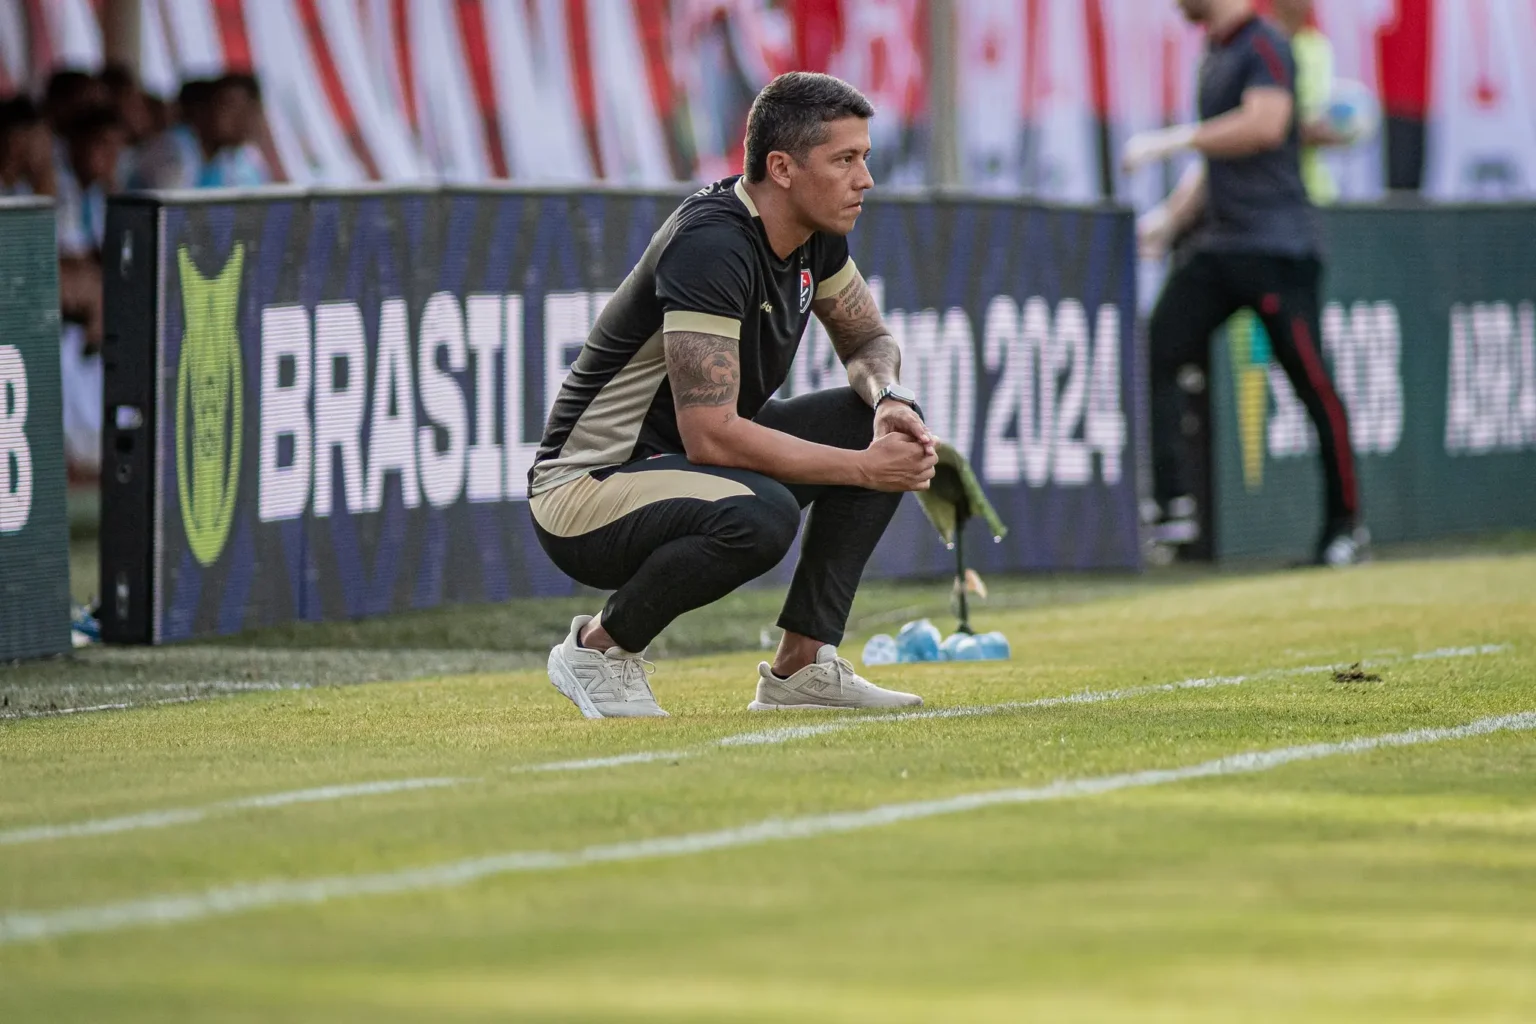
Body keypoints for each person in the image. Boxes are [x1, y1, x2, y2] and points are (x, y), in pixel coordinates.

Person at [530, 71, 937, 719]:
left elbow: (867, 341)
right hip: (586, 488)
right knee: (762, 514)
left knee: (881, 424)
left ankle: (801, 669)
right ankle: (598, 649)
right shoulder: (713, 245)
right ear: (781, 167)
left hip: (687, 467)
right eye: (845, 160)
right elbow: (712, 434)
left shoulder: (816, 230)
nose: (866, 179)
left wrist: (891, 399)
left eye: (865, 157)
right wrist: (866, 468)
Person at [1124, 0, 1364, 566]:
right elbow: (1216, 166)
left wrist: (1174, 139)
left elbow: (1264, 125)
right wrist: (1167, 220)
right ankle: (1172, 506)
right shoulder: (1216, 52)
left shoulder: (1264, 43)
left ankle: (1345, 527)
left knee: (1313, 387)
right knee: (1161, 345)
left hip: (1279, 249)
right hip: (1223, 245)